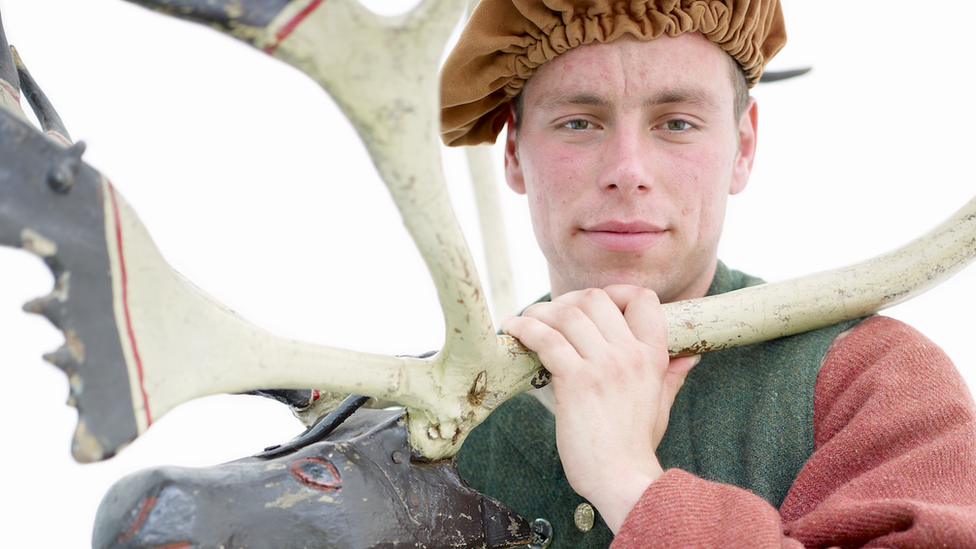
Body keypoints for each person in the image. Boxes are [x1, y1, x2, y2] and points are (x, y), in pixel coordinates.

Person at [439, 1, 976, 547]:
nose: (628, 171)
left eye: (676, 123)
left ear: (743, 146)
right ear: (512, 152)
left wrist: (629, 483)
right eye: (578, 122)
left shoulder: (871, 379)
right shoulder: (428, 413)